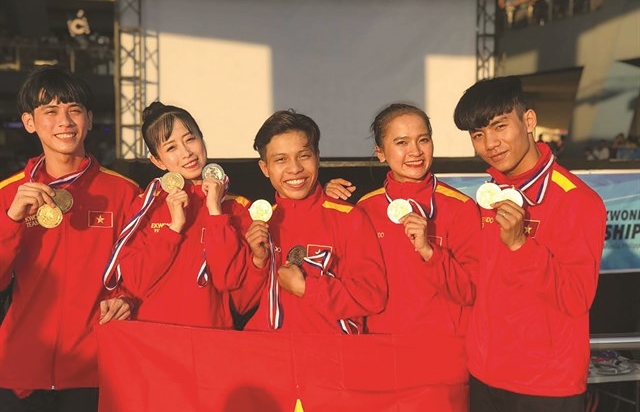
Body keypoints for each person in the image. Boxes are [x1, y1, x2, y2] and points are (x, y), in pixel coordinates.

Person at [453, 75, 606, 412]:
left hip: (543, 386)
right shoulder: (489, 195)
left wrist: (522, 244)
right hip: (486, 377)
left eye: (500, 126)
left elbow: (575, 297)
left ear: (529, 120)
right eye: (478, 134)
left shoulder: (577, 201)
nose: (491, 143)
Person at [0, 67, 140, 412]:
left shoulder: (124, 193)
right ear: (29, 122)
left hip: (93, 374)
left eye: (74, 109)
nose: (64, 121)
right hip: (20, 372)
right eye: (50, 110)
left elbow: (139, 271)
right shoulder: (8, 193)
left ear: (89, 120)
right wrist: (11, 219)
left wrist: (126, 298)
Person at [326, 103, 480, 335]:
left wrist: (429, 252)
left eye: (423, 140)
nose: (415, 151)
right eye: (401, 142)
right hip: (380, 345)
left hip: (443, 347)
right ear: (380, 153)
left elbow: (470, 292)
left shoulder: (461, 207)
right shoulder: (364, 209)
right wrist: (325, 204)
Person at [104, 101, 256, 328]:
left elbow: (229, 279)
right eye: (171, 147)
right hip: (152, 338)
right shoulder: (147, 205)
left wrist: (215, 213)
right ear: (157, 160)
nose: (186, 153)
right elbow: (135, 282)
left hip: (209, 339)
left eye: (190, 139)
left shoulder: (236, 207)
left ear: (202, 138)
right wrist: (173, 228)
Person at [242, 109, 387, 333]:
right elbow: (241, 304)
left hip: (329, 356)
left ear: (318, 157)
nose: (295, 168)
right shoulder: (257, 224)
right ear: (265, 168)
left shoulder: (349, 218)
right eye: (280, 160)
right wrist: (258, 263)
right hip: (269, 355)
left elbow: (372, 297)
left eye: (304, 156)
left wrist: (306, 288)